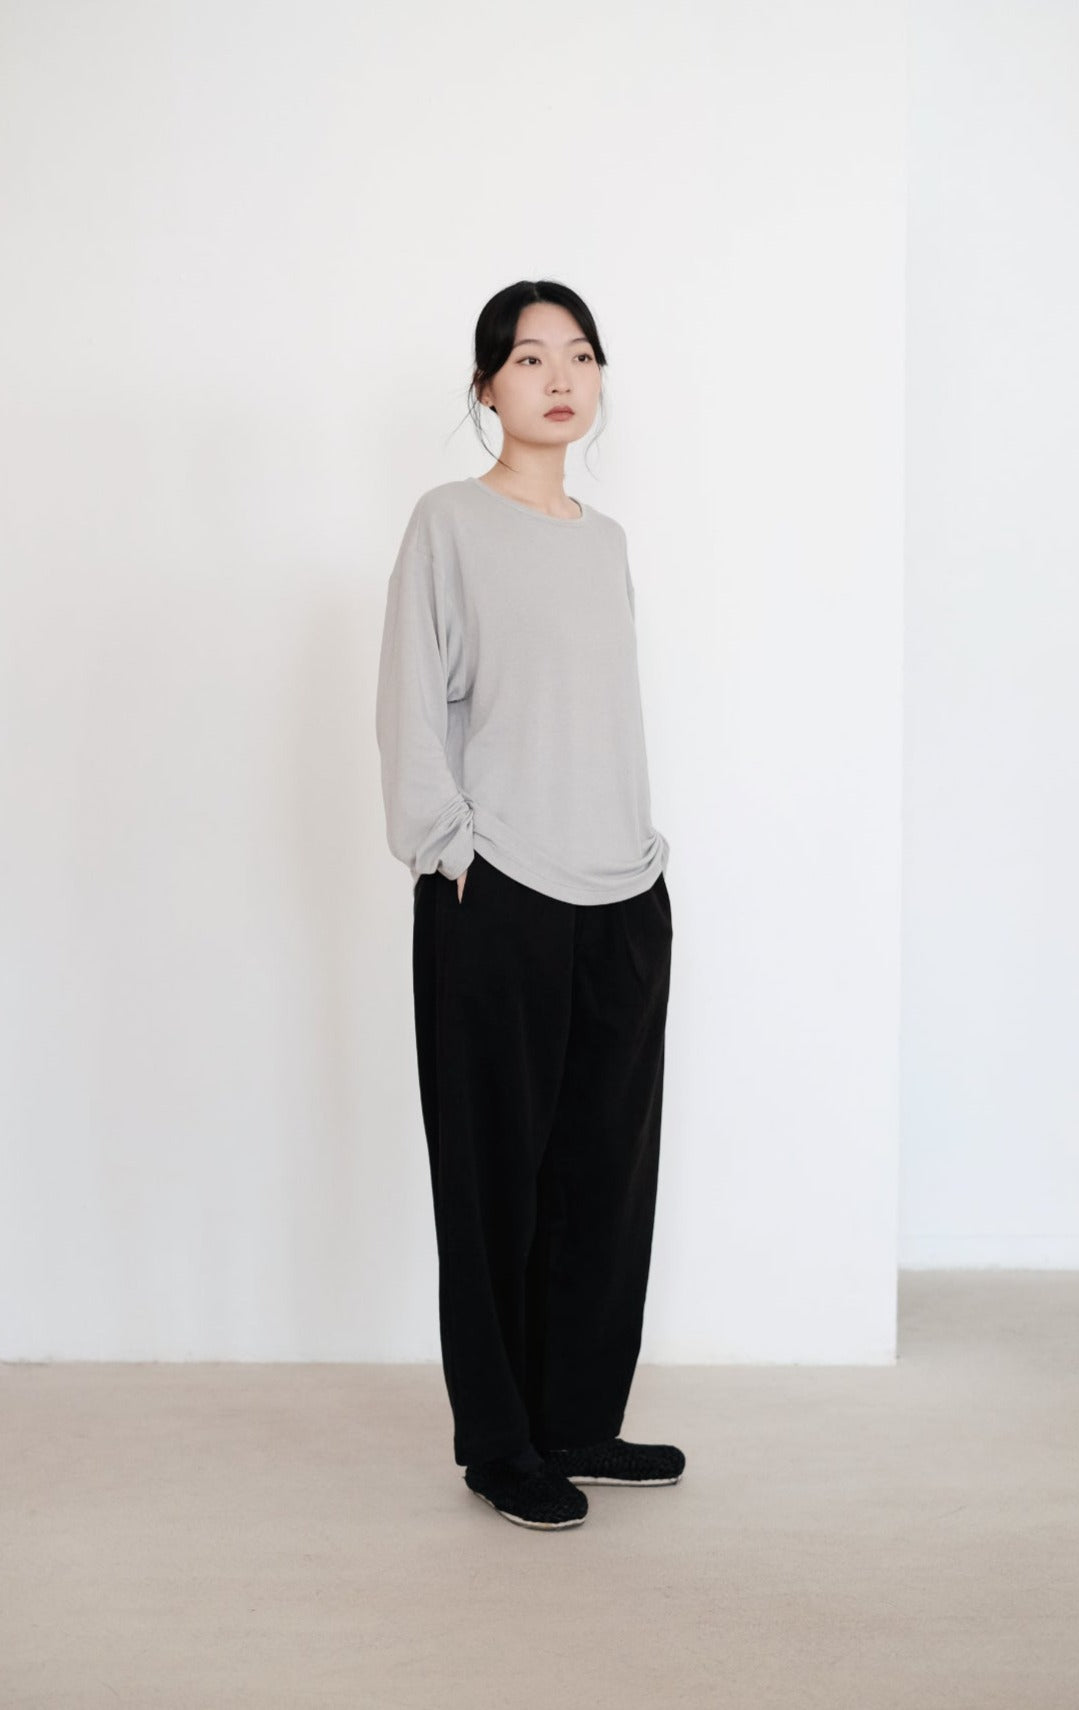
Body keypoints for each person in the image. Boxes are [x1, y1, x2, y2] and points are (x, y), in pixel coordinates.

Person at [375, 279, 685, 1530]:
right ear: (485, 385)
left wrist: (645, 859)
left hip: (622, 890)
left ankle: (575, 1422)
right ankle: (501, 1444)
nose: (559, 377)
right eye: (527, 357)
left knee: (604, 1173)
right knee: (493, 1179)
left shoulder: (605, 542)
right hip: (495, 887)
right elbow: (410, 700)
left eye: (580, 355)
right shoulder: (449, 521)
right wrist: (443, 847)